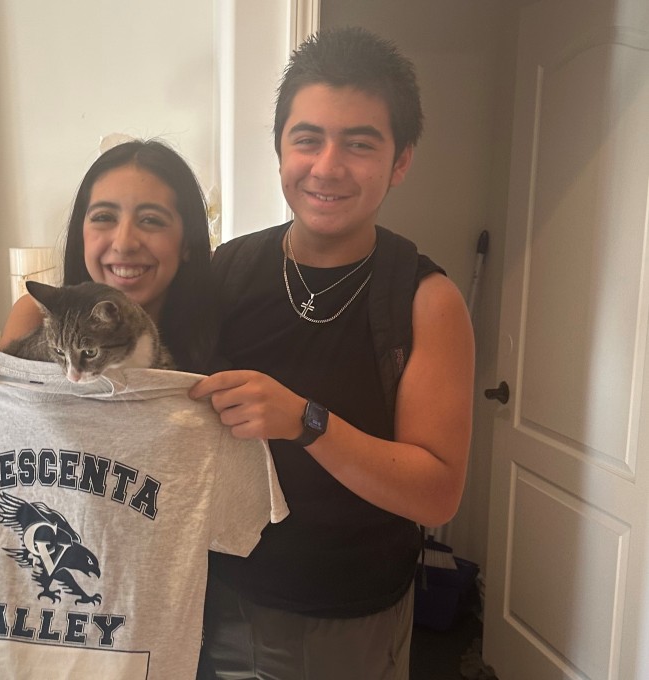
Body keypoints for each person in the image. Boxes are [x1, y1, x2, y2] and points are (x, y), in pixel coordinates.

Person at [188, 27, 475, 679]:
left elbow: (436, 494)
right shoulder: (228, 269)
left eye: (359, 144)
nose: (326, 167)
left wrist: (305, 422)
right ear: (279, 148)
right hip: (212, 598)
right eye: (307, 139)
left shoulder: (426, 300)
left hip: (345, 620)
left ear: (399, 161)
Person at [0, 138, 217, 406]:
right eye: (104, 216)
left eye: (150, 220)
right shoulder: (35, 314)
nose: (124, 243)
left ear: (188, 240)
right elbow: (14, 383)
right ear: (81, 232)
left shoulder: (226, 323)